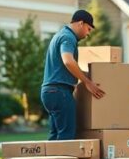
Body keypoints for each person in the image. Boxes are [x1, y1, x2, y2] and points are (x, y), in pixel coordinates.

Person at [41, 9, 105, 140]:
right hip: (60, 92)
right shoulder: (68, 37)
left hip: (49, 92)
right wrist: (87, 82)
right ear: (80, 23)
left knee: (55, 137)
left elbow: (65, 65)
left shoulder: (60, 34)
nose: (88, 34)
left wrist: (93, 75)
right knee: (67, 136)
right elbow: (68, 61)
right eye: (88, 29)